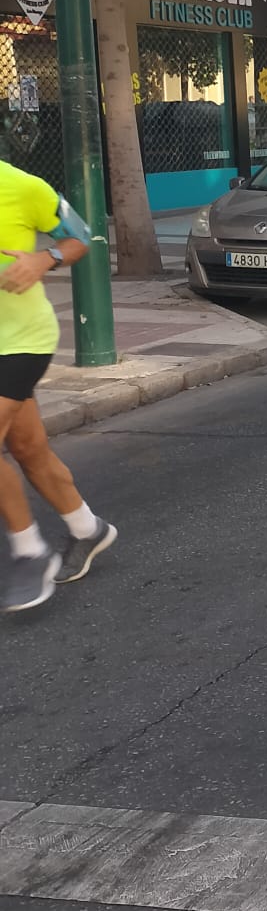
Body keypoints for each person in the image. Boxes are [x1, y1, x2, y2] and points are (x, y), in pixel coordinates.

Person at [0, 162, 117, 612]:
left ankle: (30, 552)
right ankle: (89, 529)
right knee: (28, 449)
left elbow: (81, 236)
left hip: (20, 341)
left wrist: (43, 258)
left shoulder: (23, 186)